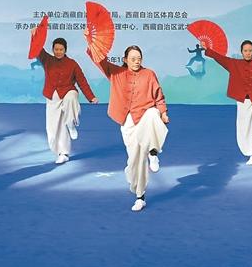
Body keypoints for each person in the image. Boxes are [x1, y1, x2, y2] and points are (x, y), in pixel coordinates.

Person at [88, 44, 169, 212]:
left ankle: (153, 152)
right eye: (132, 59)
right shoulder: (116, 72)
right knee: (135, 161)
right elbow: (100, 61)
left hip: (145, 117)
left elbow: (159, 97)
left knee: (153, 114)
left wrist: (163, 113)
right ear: (125, 60)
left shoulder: (149, 74)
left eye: (139, 58)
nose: (136, 61)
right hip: (128, 122)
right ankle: (140, 196)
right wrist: (91, 42)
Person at [203, 40, 252, 165]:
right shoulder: (234, 64)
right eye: (245, 51)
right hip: (243, 99)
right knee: (244, 127)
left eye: (250, 51)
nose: (248, 53)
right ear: (241, 52)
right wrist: (207, 49)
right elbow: (220, 58)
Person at [34, 35, 97, 164]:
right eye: (56, 49)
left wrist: (91, 97)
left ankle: (71, 123)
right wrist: (35, 35)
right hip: (52, 97)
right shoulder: (47, 60)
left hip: (68, 91)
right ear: (53, 49)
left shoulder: (72, 64)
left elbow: (82, 81)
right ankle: (62, 153)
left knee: (71, 98)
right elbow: (37, 48)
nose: (58, 52)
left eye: (61, 49)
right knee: (53, 129)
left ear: (65, 50)